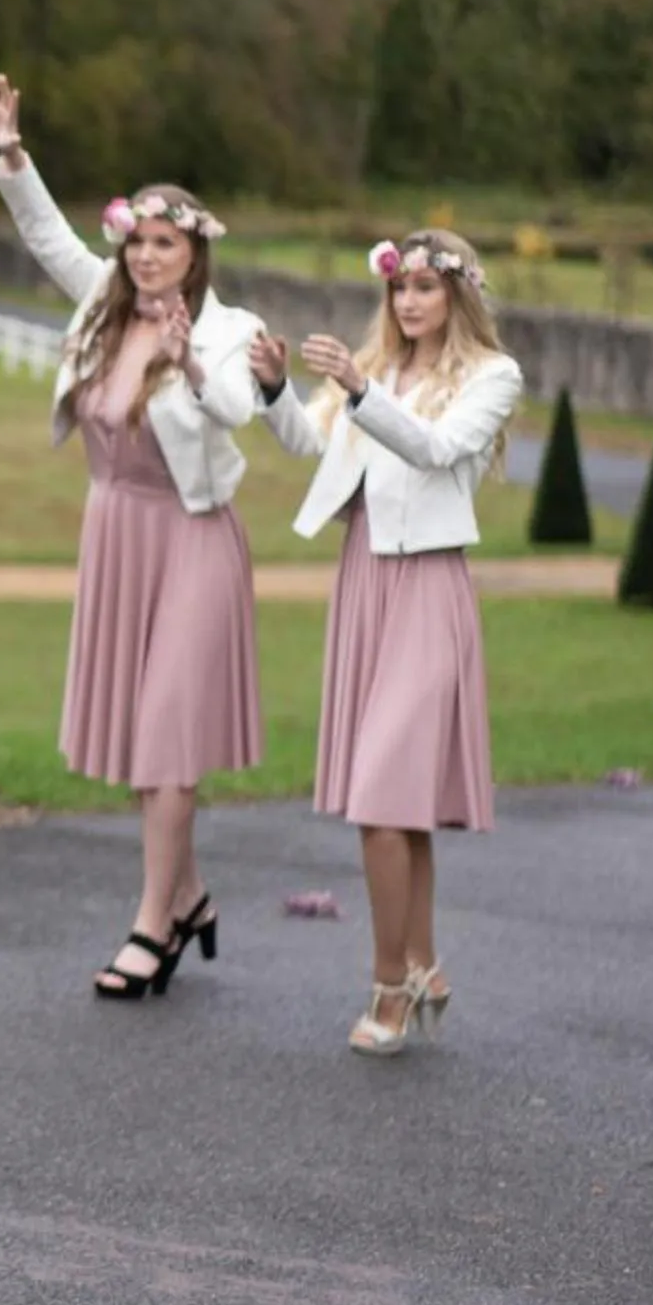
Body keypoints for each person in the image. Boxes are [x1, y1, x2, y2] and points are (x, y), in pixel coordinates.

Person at [0, 74, 272, 1001]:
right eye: (137, 240)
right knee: (136, 738)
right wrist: (15, 157)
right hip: (114, 533)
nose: (147, 256)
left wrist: (188, 358)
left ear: (195, 254)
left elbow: (235, 408)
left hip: (191, 540)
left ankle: (152, 925)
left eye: (166, 242)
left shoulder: (228, 332)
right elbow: (42, 236)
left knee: (165, 734)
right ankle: (187, 893)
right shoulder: (98, 309)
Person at [259, 230, 520, 1057]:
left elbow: (438, 450)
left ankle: (389, 988)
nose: (407, 302)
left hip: (428, 588)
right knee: (398, 808)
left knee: (379, 798)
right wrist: (274, 392)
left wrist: (364, 389)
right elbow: (314, 444)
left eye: (422, 287)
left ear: (455, 296)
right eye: (397, 288)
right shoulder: (381, 370)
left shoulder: (491, 377)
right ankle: (424, 963)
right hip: (363, 582)